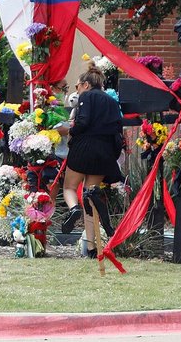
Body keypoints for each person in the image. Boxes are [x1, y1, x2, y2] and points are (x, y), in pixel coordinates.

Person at [61, 66, 124, 257]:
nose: (77, 90)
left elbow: (83, 122)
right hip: (104, 153)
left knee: (69, 188)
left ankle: (73, 209)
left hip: (84, 149)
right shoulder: (112, 102)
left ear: (86, 85)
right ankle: (91, 247)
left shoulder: (86, 97)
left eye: (78, 86)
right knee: (90, 197)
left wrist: (69, 131)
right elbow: (118, 132)